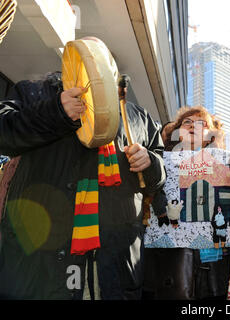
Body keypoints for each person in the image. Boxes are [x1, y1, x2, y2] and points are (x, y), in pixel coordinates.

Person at [0, 38, 166, 300]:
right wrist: (56, 111)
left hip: (114, 260)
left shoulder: (138, 116)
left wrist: (151, 162)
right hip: (41, 259)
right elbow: (4, 134)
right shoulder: (34, 93)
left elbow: (157, 178)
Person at [143, 106, 230, 300]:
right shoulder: (158, 162)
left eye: (202, 123)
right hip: (170, 256)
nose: (193, 126)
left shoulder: (228, 164)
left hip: (213, 260)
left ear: (211, 134)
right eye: (187, 122)